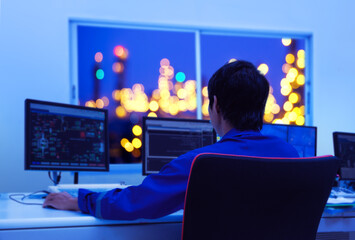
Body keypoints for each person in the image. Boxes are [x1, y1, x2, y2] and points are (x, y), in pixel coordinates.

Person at [43, 60, 299, 219]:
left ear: (216, 106)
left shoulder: (202, 162)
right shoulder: (290, 155)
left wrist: (78, 201)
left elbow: (134, 203)